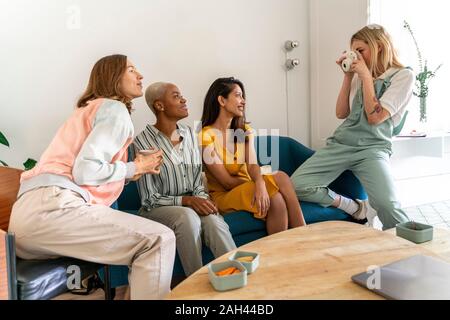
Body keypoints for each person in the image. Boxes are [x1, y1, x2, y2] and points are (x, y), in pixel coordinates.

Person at [8, 55, 176, 300]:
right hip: (55, 210)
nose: (140, 75)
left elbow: (81, 170)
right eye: (131, 69)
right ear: (113, 78)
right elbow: (85, 170)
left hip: (25, 224)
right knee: (159, 239)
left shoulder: (86, 110)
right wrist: (133, 167)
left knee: (142, 244)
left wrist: (132, 168)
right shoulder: (114, 109)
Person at [291, 24, 414, 230]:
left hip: (372, 149)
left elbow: (376, 117)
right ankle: (356, 208)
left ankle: (409, 249)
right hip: (341, 144)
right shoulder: (360, 77)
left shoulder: (403, 76)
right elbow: (341, 113)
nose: (356, 56)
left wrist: (366, 76)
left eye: (360, 51)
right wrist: (348, 76)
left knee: (388, 205)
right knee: (296, 186)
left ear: (379, 48)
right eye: (353, 51)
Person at [133, 82, 236, 276]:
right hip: (156, 209)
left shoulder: (189, 134)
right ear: (159, 106)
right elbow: (149, 199)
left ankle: (236, 273)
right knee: (186, 216)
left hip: (191, 203)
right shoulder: (142, 142)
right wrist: (187, 201)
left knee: (213, 221)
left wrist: (201, 199)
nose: (184, 99)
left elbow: (197, 180)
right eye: (176, 96)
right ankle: (194, 282)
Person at [200, 77, 306, 235]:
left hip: (248, 186)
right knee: (281, 177)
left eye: (243, 96)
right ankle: (304, 235)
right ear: (222, 100)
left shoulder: (244, 130)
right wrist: (258, 183)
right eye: (238, 95)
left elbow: (252, 165)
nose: (243, 101)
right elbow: (226, 182)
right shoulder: (205, 135)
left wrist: (260, 183)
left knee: (276, 199)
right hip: (224, 196)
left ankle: (280, 252)